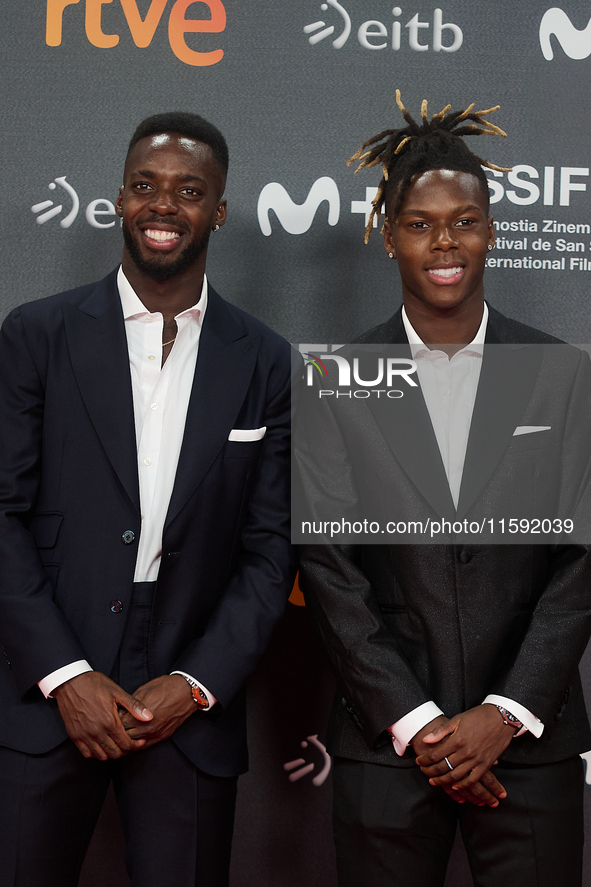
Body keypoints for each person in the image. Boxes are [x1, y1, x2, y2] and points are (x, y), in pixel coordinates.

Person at [298, 92, 591, 886]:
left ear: (490, 228)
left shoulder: (563, 373)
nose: (443, 242)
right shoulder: (334, 378)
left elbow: (579, 562)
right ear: (388, 233)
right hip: (388, 747)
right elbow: (327, 568)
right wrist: (422, 722)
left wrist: (502, 713)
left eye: (462, 219)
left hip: (530, 746)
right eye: (420, 223)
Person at [0, 111, 296, 887]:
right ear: (119, 200)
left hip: (186, 699)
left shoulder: (263, 359)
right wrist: (65, 674)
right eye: (144, 186)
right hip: (44, 685)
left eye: (188, 190)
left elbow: (270, 552)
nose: (162, 206)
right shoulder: (37, 334)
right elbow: (2, 515)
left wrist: (194, 684)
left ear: (219, 210)